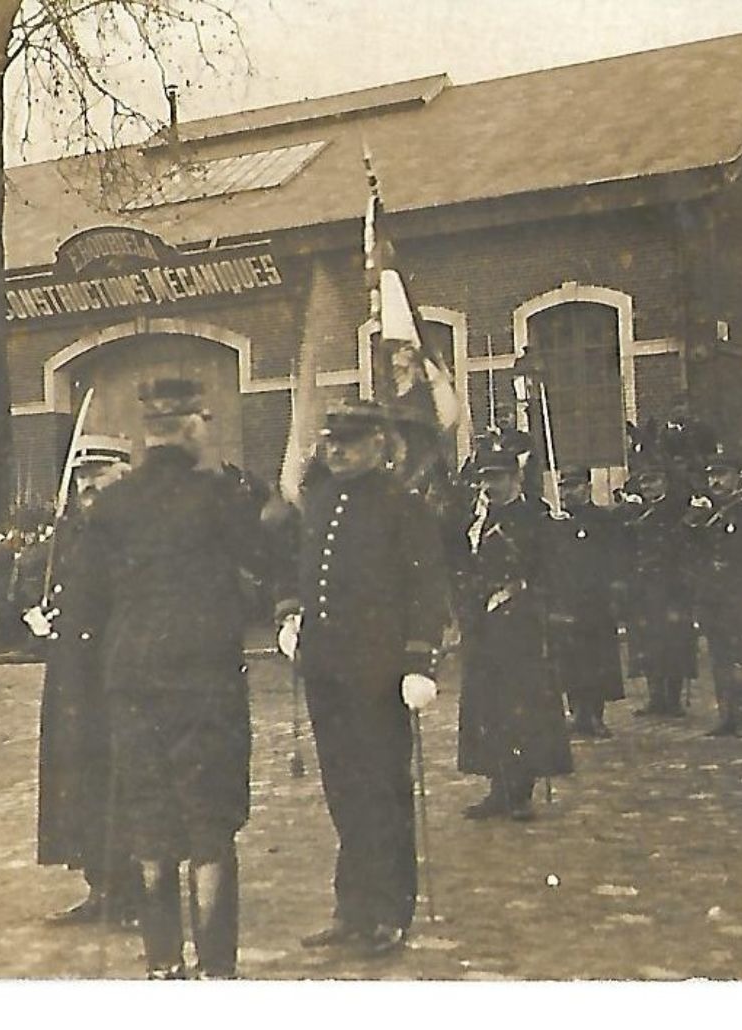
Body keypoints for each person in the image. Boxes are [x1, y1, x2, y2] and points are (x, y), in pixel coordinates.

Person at [78, 378, 267, 979]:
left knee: (151, 826)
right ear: (190, 427)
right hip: (204, 683)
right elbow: (268, 563)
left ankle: (162, 964)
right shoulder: (222, 500)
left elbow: (87, 602)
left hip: (132, 683)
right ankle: (215, 971)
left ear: (146, 432)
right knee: (210, 828)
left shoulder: (109, 506)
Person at [278, 399, 451, 958]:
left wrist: (419, 662)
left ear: (381, 443)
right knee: (344, 793)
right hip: (328, 670)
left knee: (383, 793)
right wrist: (291, 615)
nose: (338, 450)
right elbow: (304, 570)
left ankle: (389, 911)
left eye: (350, 441)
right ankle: (351, 907)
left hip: (379, 677)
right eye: (332, 441)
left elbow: (427, 592)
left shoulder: (404, 507)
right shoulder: (323, 499)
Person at [28, 435, 141, 929]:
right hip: (73, 675)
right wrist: (47, 617)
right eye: (81, 476)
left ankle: (133, 890)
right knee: (78, 778)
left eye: (99, 473)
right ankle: (100, 882)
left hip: (114, 673)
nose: (88, 484)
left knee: (120, 778)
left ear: (124, 474)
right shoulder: (74, 531)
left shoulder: (132, 531)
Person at [452, 432, 571, 821]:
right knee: (488, 706)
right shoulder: (476, 519)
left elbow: (551, 571)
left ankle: (521, 790)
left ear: (515, 478)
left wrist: (531, 600)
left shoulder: (535, 516)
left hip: (520, 624)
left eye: (499, 478)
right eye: (486, 478)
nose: (491, 486)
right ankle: (497, 786)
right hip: (483, 625)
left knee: (522, 707)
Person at [685, 447, 742, 738]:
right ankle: (726, 715)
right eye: (712, 476)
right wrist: (693, 520)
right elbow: (689, 551)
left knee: (740, 655)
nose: (716, 481)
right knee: (718, 656)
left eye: (722, 475)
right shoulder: (704, 514)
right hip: (712, 595)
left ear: (736, 477)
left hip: (740, 594)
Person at [543, 464, 626, 738]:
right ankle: (576, 712)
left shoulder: (603, 520)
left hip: (595, 602)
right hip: (566, 601)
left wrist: (614, 591)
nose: (568, 492)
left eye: (574, 486)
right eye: (564, 486)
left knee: (596, 661)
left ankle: (595, 715)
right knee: (570, 661)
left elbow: (614, 557)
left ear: (588, 488)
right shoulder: (556, 523)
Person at [619, 460, 697, 717]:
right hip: (643, 585)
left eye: (653, 480)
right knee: (647, 642)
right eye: (644, 482)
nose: (648, 486)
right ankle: (656, 697)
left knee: (672, 642)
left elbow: (681, 545)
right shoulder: (635, 511)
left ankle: (672, 699)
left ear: (665, 482)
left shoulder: (676, 510)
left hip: (670, 585)